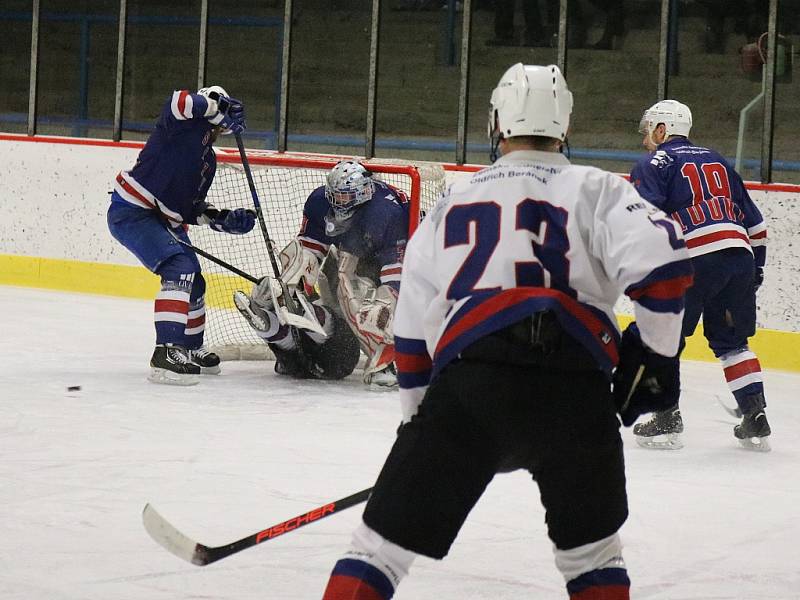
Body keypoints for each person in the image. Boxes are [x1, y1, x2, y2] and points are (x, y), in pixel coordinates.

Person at [320, 63, 693, 600]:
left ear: (495, 123)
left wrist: (423, 428)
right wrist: (656, 356)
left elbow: (410, 337)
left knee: (377, 551)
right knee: (594, 557)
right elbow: (663, 272)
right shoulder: (599, 188)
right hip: (576, 389)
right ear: (565, 122)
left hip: (474, 389)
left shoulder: (451, 204)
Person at [630, 99, 770, 451]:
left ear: (663, 130)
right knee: (732, 341)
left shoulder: (654, 162)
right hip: (740, 256)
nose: (646, 137)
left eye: (650, 129)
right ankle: (755, 414)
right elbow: (756, 223)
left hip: (693, 260)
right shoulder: (719, 160)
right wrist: (757, 267)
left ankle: (666, 417)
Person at [107, 85, 254, 386]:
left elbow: (189, 209)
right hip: (133, 212)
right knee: (179, 269)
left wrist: (222, 219)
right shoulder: (180, 124)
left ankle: (189, 348)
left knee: (195, 282)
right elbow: (179, 100)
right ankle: (166, 354)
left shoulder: (207, 160)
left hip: (163, 220)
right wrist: (219, 109)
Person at [233, 159, 409, 389]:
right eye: (335, 195)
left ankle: (386, 363)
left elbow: (397, 268)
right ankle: (294, 313)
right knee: (310, 265)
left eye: (345, 197)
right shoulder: (320, 201)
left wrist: (385, 302)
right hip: (348, 257)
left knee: (369, 307)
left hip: (405, 266)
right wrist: (293, 287)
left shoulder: (386, 213)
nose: (338, 202)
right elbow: (310, 248)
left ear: (364, 194)